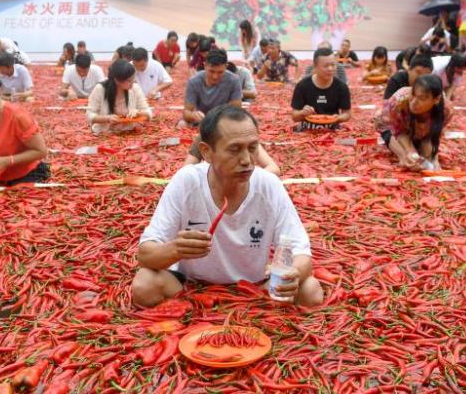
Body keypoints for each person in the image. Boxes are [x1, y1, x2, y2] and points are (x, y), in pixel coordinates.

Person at [131, 105, 323, 307]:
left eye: (252, 148)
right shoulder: (187, 181)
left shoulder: (268, 185)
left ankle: (238, 312)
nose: (247, 160)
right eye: (234, 149)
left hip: (254, 288)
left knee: (310, 291)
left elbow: (302, 254)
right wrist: (175, 250)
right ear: (206, 152)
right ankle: (206, 312)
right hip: (193, 287)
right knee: (145, 284)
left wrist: (292, 273)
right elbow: (145, 254)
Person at [375, 74, 453, 171]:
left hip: (420, 130)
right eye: (413, 94)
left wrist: (433, 159)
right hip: (392, 125)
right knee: (407, 158)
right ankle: (404, 156)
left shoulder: (446, 110)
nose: (414, 102)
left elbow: (430, 136)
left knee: (429, 160)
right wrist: (410, 151)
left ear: (436, 99)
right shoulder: (399, 102)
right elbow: (399, 131)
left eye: (422, 98)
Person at [291, 47, 351, 131]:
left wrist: (338, 118)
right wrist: (302, 113)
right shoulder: (302, 86)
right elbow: (294, 116)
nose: (330, 69)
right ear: (315, 66)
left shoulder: (342, 87)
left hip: (332, 130)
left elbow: (347, 114)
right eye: (326, 66)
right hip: (308, 130)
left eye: (333, 65)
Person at [87, 59, 151, 134]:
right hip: (105, 133)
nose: (133, 82)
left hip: (129, 132)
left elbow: (148, 112)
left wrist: (138, 113)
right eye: (129, 80)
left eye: (133, 78)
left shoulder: (135, 88)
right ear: (117, 80)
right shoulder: (101, 89)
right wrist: (107, 118)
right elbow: (90, 115)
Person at [183, 49, 242, 126]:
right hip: (201, 120)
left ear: (226, 67)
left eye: (220, 72)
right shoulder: (194, 81)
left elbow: (237, 110)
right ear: (205, 66)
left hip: (223, 120)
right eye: (211, 71)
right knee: (182, 125)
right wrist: (193, 115)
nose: (215, 76)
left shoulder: (233, 80)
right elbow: (186, 112)